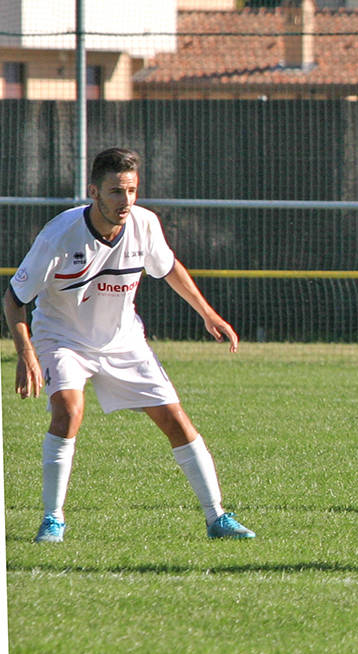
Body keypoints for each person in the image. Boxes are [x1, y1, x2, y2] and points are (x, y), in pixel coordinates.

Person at [4, 147, 256, 542]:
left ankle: (217, 518)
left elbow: (168, 267)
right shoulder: (59, 234)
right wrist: (26, 353)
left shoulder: (144, 224)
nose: (126, 201)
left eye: (132, 191)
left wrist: (207, 313)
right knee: (68, 412)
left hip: (123, 340)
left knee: (176, 421)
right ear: (94, 192)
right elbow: (14, 300)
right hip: (62, 338)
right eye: (117, 192)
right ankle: (53, 519)